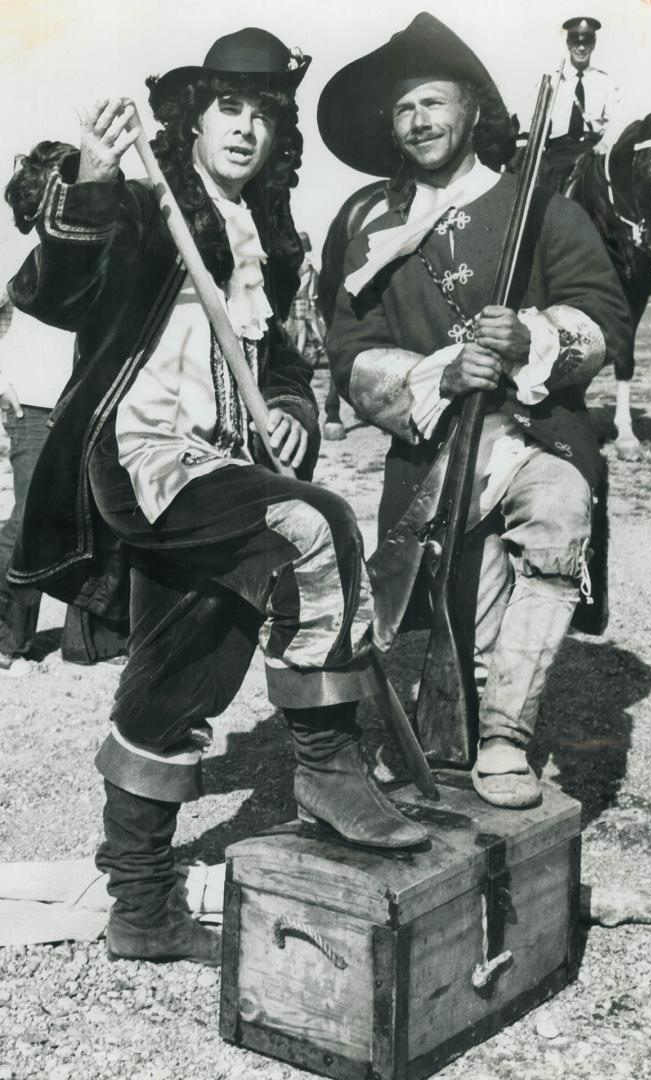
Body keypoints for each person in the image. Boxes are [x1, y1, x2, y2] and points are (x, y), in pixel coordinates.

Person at [8, 27, 427, 967]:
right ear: (192, 118)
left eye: (264, 116)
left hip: (229, 465)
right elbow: (49, 294)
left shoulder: (274, 240)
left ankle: (141, 906)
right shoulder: (144, 206)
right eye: (228, 109)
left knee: (183, 663)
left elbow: (279, 365)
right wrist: (93, 173)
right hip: (145, 460)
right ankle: (325, 764)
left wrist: (287, 412)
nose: (246, 129)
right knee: (315, 521)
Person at [320, 13, 631, 810]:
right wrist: (441, 371)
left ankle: (503, 735)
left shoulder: (544, 211)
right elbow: (350, 348)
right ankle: (438, 741)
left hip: (534, 437)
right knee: (449, 607)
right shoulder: (365, 223)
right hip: (431, 450)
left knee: (559, 512)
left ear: (470, 112)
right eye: (404, 109)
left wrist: (530, 337)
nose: (420, 121)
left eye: (434, 102)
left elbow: (601, 314)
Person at [0, 142, 128, 675]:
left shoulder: (101, 247)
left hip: (84, 401)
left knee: (97, 515)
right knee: (32, 518)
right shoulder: (18, 248)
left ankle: (89, 639)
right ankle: (8, 639)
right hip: (29, 398)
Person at [545, 16, 622, 192]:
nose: (581, 48)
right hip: (560, 151)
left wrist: (605, 143)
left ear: (593, 45)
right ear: (568, 44)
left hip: (592, 150)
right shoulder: (554, 80)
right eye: (575, 42)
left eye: (586, 43)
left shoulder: (605, 81)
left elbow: (616, 119)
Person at [285, 231, 326, 366]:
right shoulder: (307, 259)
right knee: (304, 326)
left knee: (299, 327)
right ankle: (304, 352)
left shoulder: (297, 261)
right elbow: (311, 276)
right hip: (304, 298)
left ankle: (299, 354)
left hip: (298, 297)